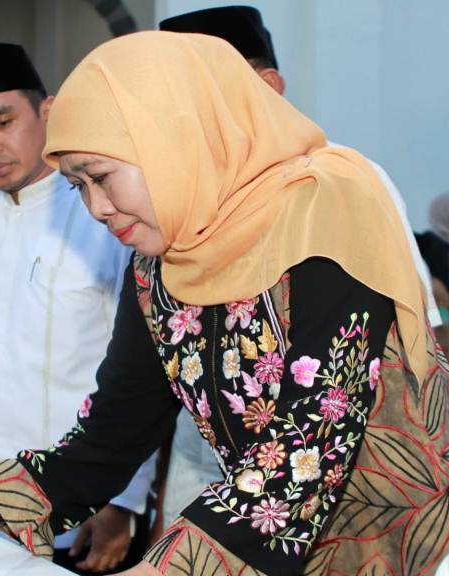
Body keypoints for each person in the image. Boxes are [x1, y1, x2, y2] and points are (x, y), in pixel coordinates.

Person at [0, 32, 448, 575]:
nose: (97, 207)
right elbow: (110, 437)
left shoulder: (322, 213)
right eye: (78, 186)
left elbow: (297, 461)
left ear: (171, 142)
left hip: (418, 546)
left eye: (101, 176)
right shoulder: (160, 264)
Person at [155, 4, 447, 533]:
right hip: (213, 473)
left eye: (201, 98)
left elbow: (417, 342)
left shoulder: (337, 185)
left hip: (341, 493)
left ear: (268, 85)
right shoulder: (172, 205)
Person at [0, 42, 154, 574]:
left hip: (71, 511)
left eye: (2, 121)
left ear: (47, 112)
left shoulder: (111, 222)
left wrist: (120, 503)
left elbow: (147, 377)